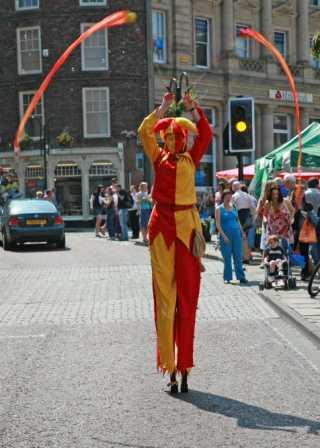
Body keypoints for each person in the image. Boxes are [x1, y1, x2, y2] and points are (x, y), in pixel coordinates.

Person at [138, 91, 212, 393]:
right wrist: (164, 108)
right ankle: (170, 367)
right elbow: (145, 132)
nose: (170, 141)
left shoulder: (191, 159)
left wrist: (195, 109)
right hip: (161, 229)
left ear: (183, 138)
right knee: (166, 302)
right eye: (166, 137)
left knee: (188, 300)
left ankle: (185, 367)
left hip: (187, 229)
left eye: (175, 136)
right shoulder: (159, 159)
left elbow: (205, 134)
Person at [215, 189, 247, 285]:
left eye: (230, 196)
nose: (229, 198)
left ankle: (241, 277)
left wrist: (243, 232)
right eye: (227, 196)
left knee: (238, 256)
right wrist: (223, 236)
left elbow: (238, 221)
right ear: (223, 197)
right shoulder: (219, 209)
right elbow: (218, 224)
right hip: (225, 236)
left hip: (236, 235)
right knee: (227, 258)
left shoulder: (234, 207)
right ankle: (227, 278)